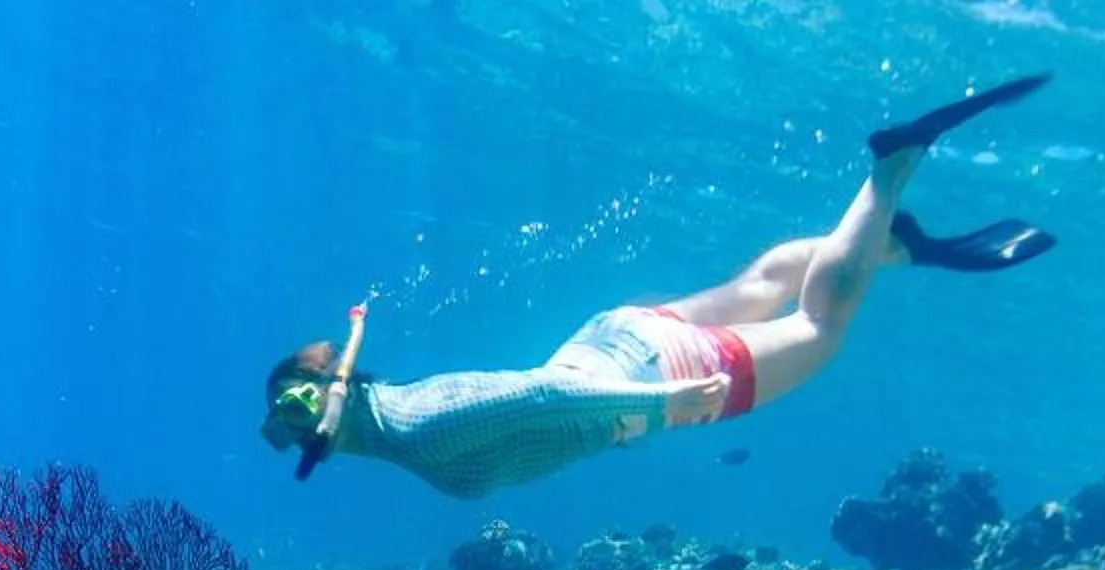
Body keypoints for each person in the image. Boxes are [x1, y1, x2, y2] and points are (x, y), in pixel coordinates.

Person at [259, 73, 1058, 498]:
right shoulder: (392, 415)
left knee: (820, 326)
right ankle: (900, 249)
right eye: (283, 419)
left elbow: (541, 397)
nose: (289, 427)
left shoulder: (415, 428)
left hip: (641, 377)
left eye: (293, 406)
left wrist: (662, 405)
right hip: (613, 340)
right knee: (765, 279)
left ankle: (892, 169)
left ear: (329, 393)